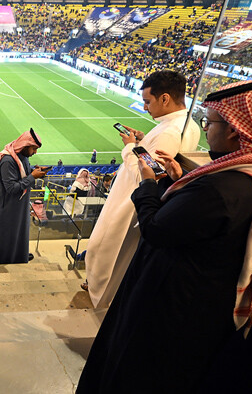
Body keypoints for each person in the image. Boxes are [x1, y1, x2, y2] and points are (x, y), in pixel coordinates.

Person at [76, 77, 252, 393]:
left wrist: (150, 184)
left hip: (170, 307)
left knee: (133, 371)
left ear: (236, 129)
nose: (206, 128)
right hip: (206, 309)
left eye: (210, 121)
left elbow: (156, 229)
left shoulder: (223, 189)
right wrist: (178, 180)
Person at [83, 70, 201, 304]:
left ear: (165, 98)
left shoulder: (170, 130)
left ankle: (101, 294)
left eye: (148, 101)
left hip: (130, 202)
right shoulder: (185, 124)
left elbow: (148, 172)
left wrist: (129, 147)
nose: (145, 107)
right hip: (140, 200)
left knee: (106, 248)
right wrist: (142, 140)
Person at [0, 129, 46, 264]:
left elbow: (22, 173)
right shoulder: (8, 161)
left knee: (18, 232)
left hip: (17, 205)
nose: (35, 152)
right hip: (8, 207)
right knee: (7, 233)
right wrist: (32, 176)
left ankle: (18, 255)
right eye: (34, 149)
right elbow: (11, 188)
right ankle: (5, 258)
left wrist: (34, 171)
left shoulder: (22, 157)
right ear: (26, 145)